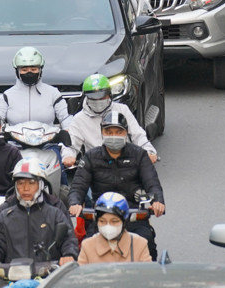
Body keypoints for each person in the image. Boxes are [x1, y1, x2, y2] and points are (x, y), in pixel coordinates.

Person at [68, 110, 166, 259]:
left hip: (132, 216)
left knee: (148, 244)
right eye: (109, 131)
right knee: (86, 249)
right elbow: (77, 187)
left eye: (118, 132)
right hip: (101, 217)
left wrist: (158, 201)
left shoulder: (139, 155)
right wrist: (75, 203)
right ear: (102, 133)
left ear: (126, 133)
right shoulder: (90, 157)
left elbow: (152, 183)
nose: (113, 135)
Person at [0, 160, 79, 269]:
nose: (26, 188)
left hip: (48, 275)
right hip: (12, 278)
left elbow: (68, 239)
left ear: (41, 184)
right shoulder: (5, 212)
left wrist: (69, 255)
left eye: (32, 182)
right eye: (21, 183)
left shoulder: (55, 210)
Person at [62, 74, 156, 167]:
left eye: (101, 97)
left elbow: (138, 134)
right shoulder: (79, 119)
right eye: (93, 98)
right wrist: (68, 156)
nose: (98, 100)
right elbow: (70, 144)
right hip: (96, 168)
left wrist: (149, 151)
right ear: (86, 97)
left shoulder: (122, 110)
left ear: (109, 94)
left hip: (126, 164)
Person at [0, 47, 71, 129]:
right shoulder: (6, 96)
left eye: (33, 69)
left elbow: (65, 118)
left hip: (49, 140)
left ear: (40, 70)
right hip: (13, 141)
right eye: (24, 70)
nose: (29, 72)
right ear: (17, 72)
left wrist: (68, 131)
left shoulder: (53, 93)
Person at [78, 192, 152, 264]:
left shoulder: (139, 244)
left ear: (124, 222)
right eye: (102, 221)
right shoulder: (87, 246)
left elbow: (147, 274)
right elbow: (81, 275)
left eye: (114, 221)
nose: (108, 226)